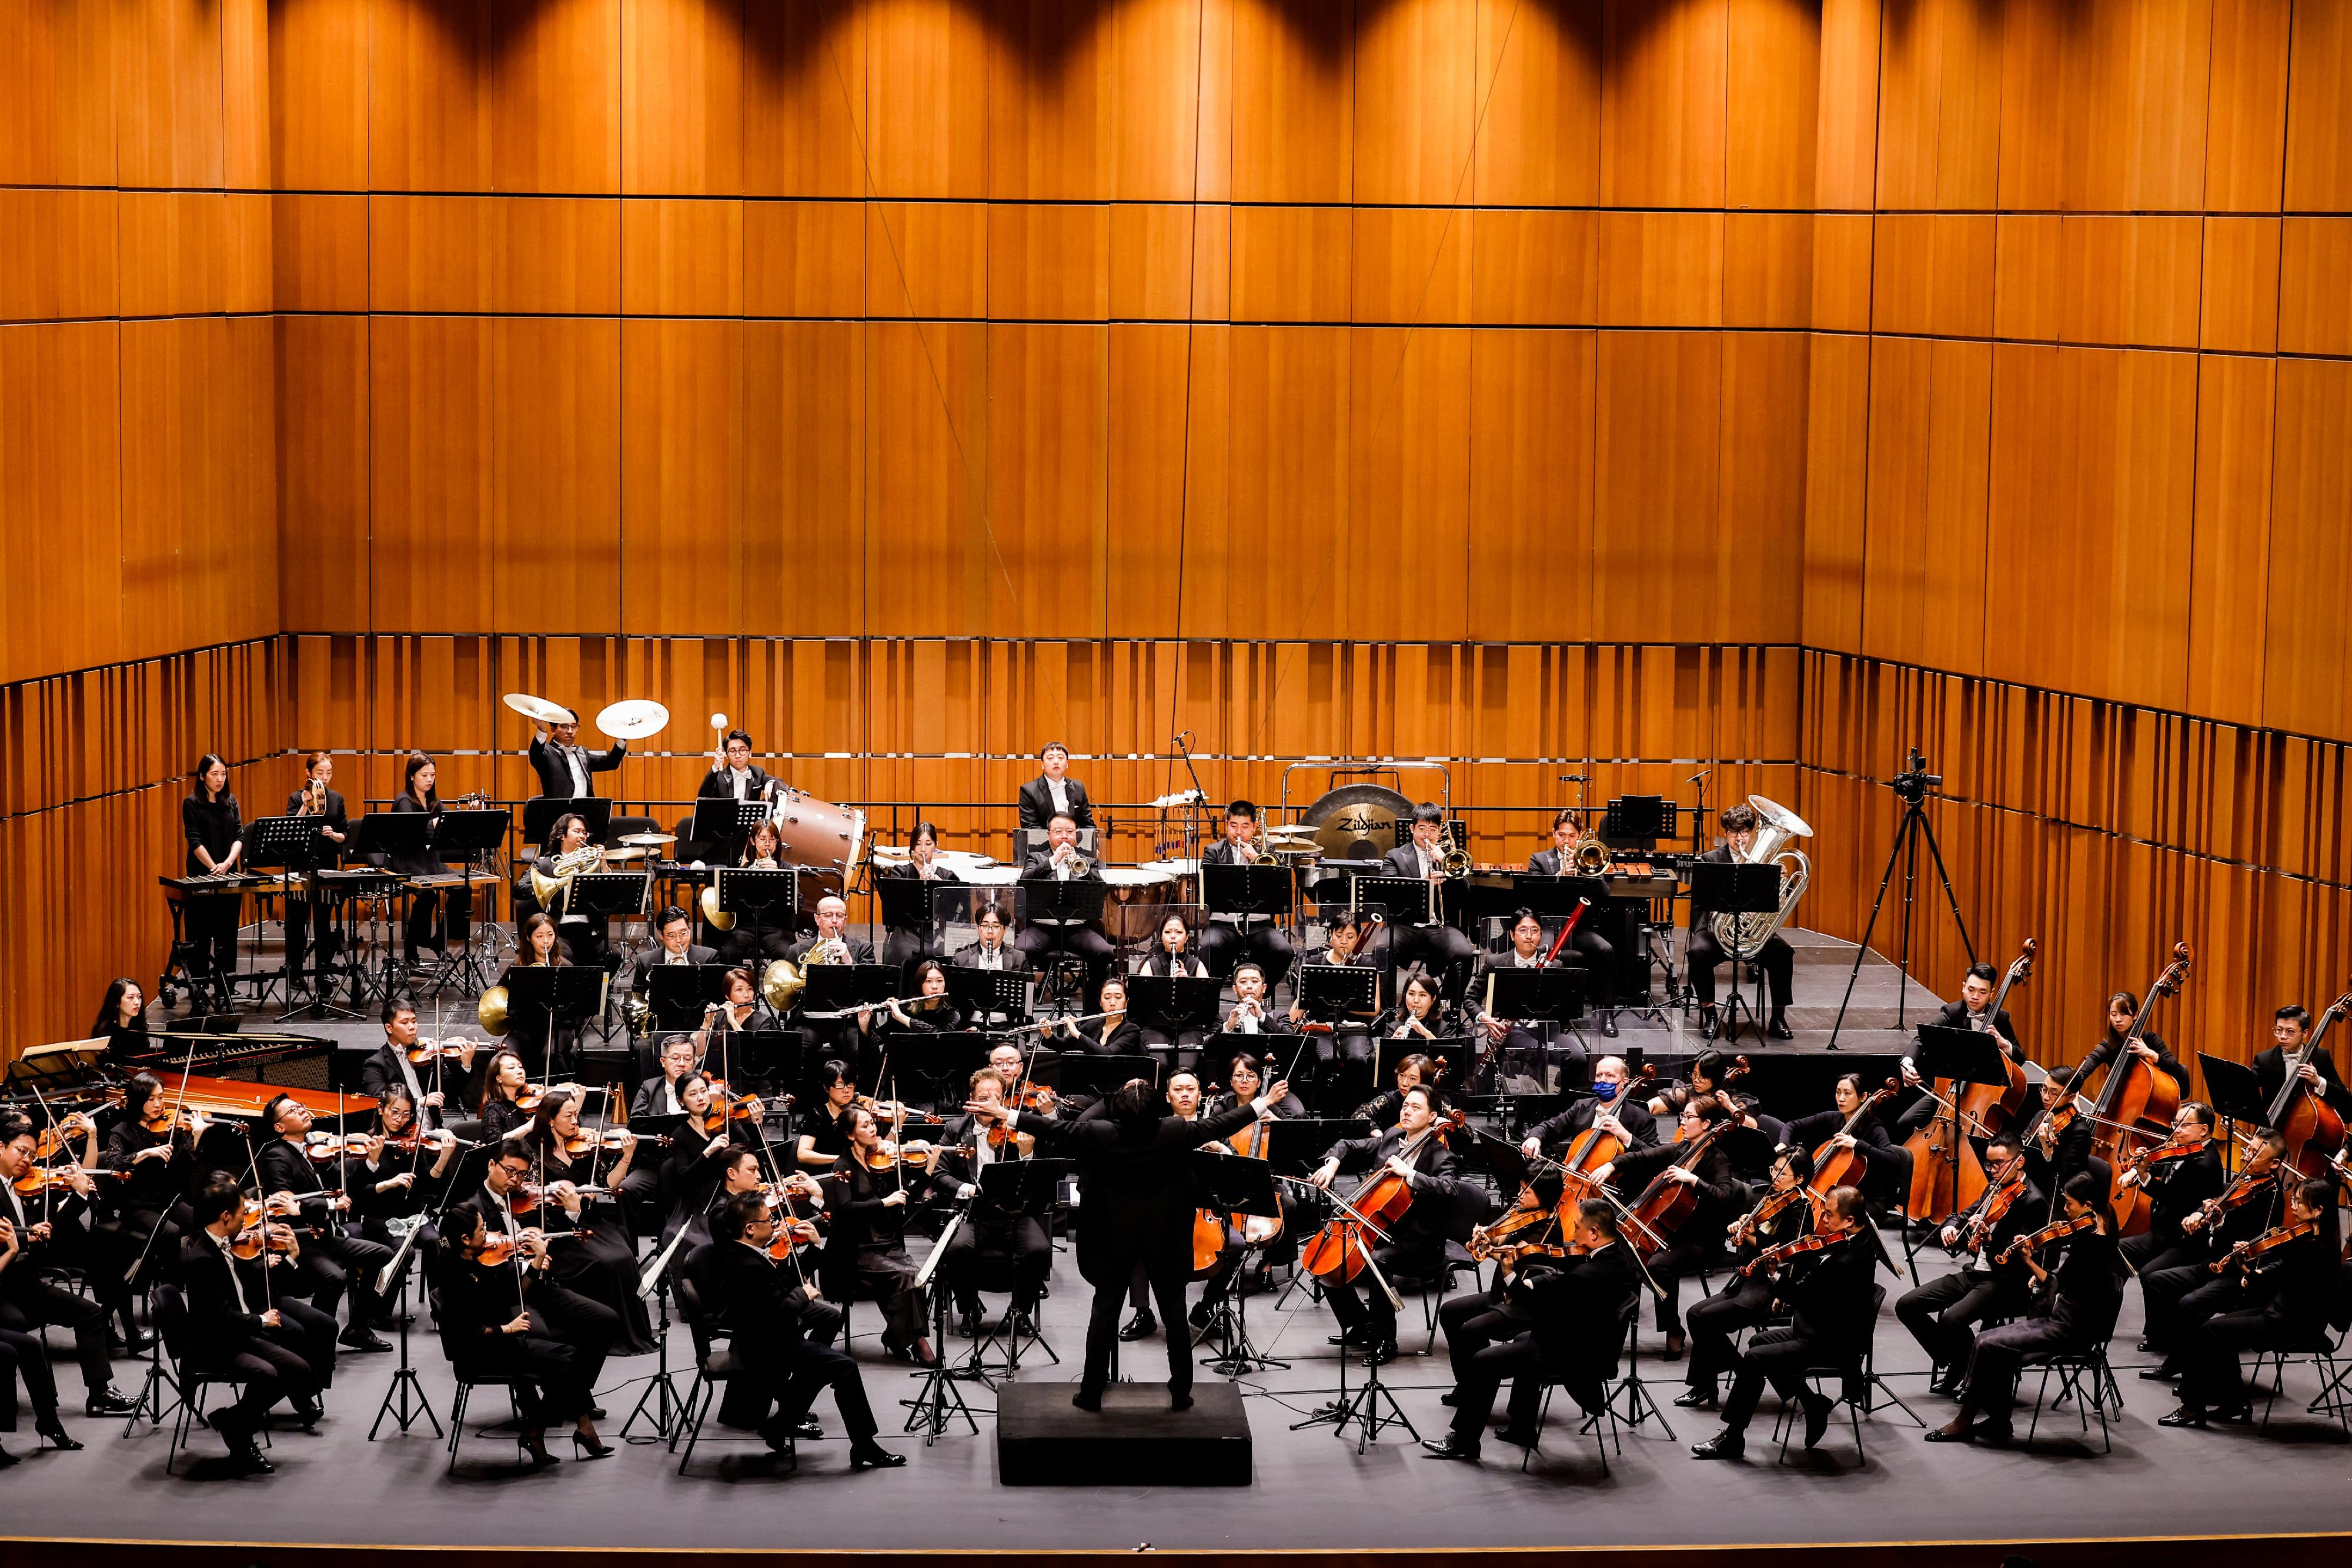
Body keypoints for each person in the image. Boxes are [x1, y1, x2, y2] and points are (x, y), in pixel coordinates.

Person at [971, 1073, 1285, 1410]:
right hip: (1165, 1238)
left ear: (1118, 1112)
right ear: (1158, 1109)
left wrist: (1004, 1113)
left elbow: (1052, 1129)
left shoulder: (1099, 1133)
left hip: (1112, 1239)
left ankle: (1091, 1392)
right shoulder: (1176, 1131)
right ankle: (1181, 1392)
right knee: (1175, 1315)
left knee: (1105, 1311)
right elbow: (1223, 1123)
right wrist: (1263, 1102)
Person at [1422, 1197, 1637, 1462]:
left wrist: (1512, 1277)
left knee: (1484, 1360)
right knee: (1524, 1338)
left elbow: (1541, 1308)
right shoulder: (1618, 1257)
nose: (1572, 1234)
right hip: (1591, 1339)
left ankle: (1465, 1439)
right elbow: (1566, 1269)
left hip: (1576, 1354)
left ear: (1594, 1233)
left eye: (1578, 1228)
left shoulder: (1589, 1277)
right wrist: (1538, 1279)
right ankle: (1522, 1428)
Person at [710, 1191, 904, 1468]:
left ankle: (779, 1427)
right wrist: (804, 1294)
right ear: (750, 1228)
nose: (776, 1224)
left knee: (821, 1367)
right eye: (770, 1220)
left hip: (766, 1340)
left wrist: (813, 1249)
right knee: (845, 1368)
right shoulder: (746, 1265)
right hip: (767, 1347)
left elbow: (779, 1284)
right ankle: (864, 1446)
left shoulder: (745, 1255)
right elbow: (781, 1308)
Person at [1927, 1172, 2123, 1446]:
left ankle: (1965, 1421)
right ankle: (1997, 1422)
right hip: (2073, 1317)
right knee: (1994, 1342)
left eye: (2069, 1204)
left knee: (1987, 1342)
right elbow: (2066, 1279)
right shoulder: (2102, 1226)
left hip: (2069, 1328)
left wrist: (2030, 1263)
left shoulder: (2091, 1244)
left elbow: (2056, 1284)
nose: (2065, 1211)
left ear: (2088, 1206)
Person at [1690, 1185, 1880, 1458]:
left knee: (1756, 1358)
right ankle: (1812, 1402)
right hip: (1820, 1327)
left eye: (1828, 1215)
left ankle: (1733, 1437)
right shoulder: (1852, 1241)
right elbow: (1816, 1289)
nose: (1823, 1220)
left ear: (1850, 1220)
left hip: (1829, 1341)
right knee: (1758, 1341)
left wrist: (1777, 1279)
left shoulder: (1850, 1260)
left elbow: (1809, 1300)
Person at [1307, 1084, 1468, 1363]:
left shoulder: (1441, 1154)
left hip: (1420, 1240)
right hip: (1380, 1228)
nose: (1407, 1111)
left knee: (1376, 1261)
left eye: (1416, 1108)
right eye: (1406, 1105)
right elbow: (1349, 1145)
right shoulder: (1393, 1137)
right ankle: (1361, 1325)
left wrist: (1411, 1173)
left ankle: (1386, 1340)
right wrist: (1333, 1161)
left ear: (1432, 1117)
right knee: (1328, 1257)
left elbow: (1450, 1189)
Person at [177, 1174, 328, 1473]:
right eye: (243, 1213)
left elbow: (254, 1284)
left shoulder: (226, 1245)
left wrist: (288, 1260)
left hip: (235, 1335)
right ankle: (241, 1438)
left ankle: (232, 1420)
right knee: (269, 1375)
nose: (248, 1219)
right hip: (213, 1343)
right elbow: (218, 1316)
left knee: (299, 1369)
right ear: (225, 1216)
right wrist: (260, 1320)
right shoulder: (202, 1259)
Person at [2161, 1178, 2341, 1428]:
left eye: (2300, 1202)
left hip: (2294, 1323)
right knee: (2217, 1326)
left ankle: (2192, 1405)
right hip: (2282, 1310)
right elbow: (2281, 1270)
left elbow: (2287, 1270)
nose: (2293, 1207)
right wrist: (2250, 1272)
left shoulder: (2316, 1248)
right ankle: (2234, 1401)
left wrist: (2254, 1264)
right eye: (2294, 1200)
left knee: (2211, 1330)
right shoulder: (2308, 1241)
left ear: (2319, 1210)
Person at [435, 1201, 596, 1467]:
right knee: (568, 1361)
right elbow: (468, 1332)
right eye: (482, 1230)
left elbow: (515, 1293)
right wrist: (508, 1328)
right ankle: (543, 1431)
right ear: (465, 1239)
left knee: (567, 1356)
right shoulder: (456, 1277)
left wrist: (536, 1261)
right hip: (481, 1353)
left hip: (499, 1345)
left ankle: (571, 1428)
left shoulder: (472, 1261)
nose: (488, 1235)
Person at [0, 1111, 134, 1420]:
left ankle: (100, 1394)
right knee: (19, 1327)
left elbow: (52, 1234)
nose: (29, 1161)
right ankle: (27, 1408)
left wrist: (78, 1196)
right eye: (22, 1151)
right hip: (3, 1286)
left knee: (90, 1312)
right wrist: (25, 1238)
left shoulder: (21, 1189)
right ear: (2, 1147)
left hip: (25, 1282)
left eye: (33, 1155)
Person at [470, 1142, 631, 1396]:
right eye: (510, 1171)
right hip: (509, 1294)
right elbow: (479, 1269)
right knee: (542, 1337)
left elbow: (561, 1241)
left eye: (522, 1174)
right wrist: (527, 1264)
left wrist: (572, 1213)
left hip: (542, 1286)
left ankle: (572, 1394)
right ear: (492, 1165)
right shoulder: (473, 1211)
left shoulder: (529, 1200)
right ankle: (562, 1403)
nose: (516, 1180)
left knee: (606, 1320)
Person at [1591, 1098, 1746, 1357]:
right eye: (1682, 1117)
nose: (1682, 1122)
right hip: (1672, 1234)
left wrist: (1694, 1179)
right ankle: (1611, 1328)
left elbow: (1725, 1196)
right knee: (1622, 1253)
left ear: (1706, 1124)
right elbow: (1641, 1156)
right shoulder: (1680, 1150)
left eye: (1688, 1117)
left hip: (1702, 1239)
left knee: (1659, 1264)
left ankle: (1673, 1329)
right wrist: (1611, 1165)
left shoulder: (1717, 1160)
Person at [1896, 1130, 2041, 1396]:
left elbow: (2021, 1254)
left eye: (1999, 1164)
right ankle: (1959, 1360)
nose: (1993, 1170)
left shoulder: (2033, 1202)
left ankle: (1967, 1369)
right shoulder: (1994, 1186)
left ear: (2019, 1162)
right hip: (1975, 1273)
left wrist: (1989, 1237)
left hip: (2005, 1279)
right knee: (1907, 1305)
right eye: (1989, 1164)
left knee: (1952, 1320)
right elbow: (1963, 1214)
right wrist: (1951, 1226)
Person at [512, 1090, 656, 1356]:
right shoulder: (535, 1155)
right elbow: (530, 1207)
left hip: (591, 1222)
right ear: (551, 1120)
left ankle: (632, 1333)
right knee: (605, 1263)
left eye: (576, 1114)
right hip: (560, 1231)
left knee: (625, 1256)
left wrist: (626, 1157)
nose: (576, 1121)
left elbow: (607, 1187)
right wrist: (571, 1211)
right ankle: (608, 1334)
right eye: (569, 1116)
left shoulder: (584, 1148)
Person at [255, 1094, 395, 1353]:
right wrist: (330, 1205)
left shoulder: (311, 1149)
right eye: (295, 1110)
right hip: (303, 1241)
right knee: (335, 1278)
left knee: (383, 1254)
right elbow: (285, 1202)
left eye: (301, 1106)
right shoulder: (276, 1157)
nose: (303, 1110)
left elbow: (342, 1186)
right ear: (280, 1127)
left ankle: (358, 1328)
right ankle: (314, 1338)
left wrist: (370, 1161)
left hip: (328, 1237)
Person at [1681, 1146, 1818, 1409]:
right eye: (1774, 1170)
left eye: (1783, 1173)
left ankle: (1728, 1375)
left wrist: (1750, 1236)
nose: (1775, 1176)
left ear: (1800, 1179)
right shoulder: (1768, 1198)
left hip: (1770, 1288)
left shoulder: (1800, 1210)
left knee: (1707, 1319)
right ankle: (1715, 1381)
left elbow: (1784, 1253)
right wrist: (1741, 1229)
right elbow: (1751, 1243)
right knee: (1694, 1314)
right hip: (1747, 1279)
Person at [931, 1068, 1053, 1338]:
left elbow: (1037, 1182)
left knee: (1039, 1250)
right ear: (972, 1098)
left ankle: (1020, 1311)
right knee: (956, 1250)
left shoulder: (1020, 1126)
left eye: (995, 1098)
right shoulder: (955, 1129)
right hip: (974, 1215)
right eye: (982, 1097)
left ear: (1004, 1100)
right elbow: (940, 1175)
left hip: (1013, 1214)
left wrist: (1026, 1154)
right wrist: (969, 1190)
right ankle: (970, 1309)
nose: (988, 1103)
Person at [824, 1105, 943, 1365]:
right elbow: (845, 1209)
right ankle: (918, 1342)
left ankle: (896, 1335)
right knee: (904, 1276)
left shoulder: (883, 1159)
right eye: (865, 1126)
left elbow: (905, 1199)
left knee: (917, 1277)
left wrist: (929, 1169)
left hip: (887, 1242)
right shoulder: (842, 1165)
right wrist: (884, 1203)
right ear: (850, 1135)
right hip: (858, 1249)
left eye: (873, 1123)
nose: (874, 1128)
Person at [100, 1072, 213, 1312]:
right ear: (137, 1100)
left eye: (161, 1098)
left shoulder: (167, 1129)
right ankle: (169, 1296)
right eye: (151, 1099)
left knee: (204, 1222)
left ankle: (197, 1281)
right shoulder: (121, 1132)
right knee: (170, 1232)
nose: (159, 1105)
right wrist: (144, 1154)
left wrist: (197, 1136)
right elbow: (112, 1166)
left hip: (166, 1201)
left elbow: (185, 1164)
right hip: (136, 1206)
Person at [1683, 803, 1796, 1041]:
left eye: (1745, 832)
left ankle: (1778, 1018)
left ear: (1752, 833)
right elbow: (1701, 900)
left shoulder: (1767, 861)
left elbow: (1778, 902)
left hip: (1751, 933)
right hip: (1716, 931)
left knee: (1783, 953)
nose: (1740, 838)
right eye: (1734, 833)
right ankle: (1711, 1014)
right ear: (1726, 833)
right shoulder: (1710, 859)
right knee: (1697, 952)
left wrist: (1783, 883)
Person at [1896, 960, 2027, 1139]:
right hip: (1950, 1092)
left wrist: (2004, 1044)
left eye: (1982, 992)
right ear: (1963, 987)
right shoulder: (1952, 1013)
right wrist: (1907, 1063)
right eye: (1971, 990)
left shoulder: (2001, 1018)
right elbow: (1922, 1038)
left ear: (1992, 994)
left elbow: (2020, 1058)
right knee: (1906, 1122)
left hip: (1981, 1099)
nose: (1975, 996)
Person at [1525, 808, 1620, 1037]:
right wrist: (1561, 875)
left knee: (1606, 950)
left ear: (1580, 836)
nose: (1566, 841)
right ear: (1554, 833)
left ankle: (1606, 1013)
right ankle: (1551, 1013)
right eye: (1561, 835)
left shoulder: (1589, 858)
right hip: (1548, 926)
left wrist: (1588, 874)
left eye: (1572, 836)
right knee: (1544, 951)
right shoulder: (1539, 860)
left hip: (1579, 928)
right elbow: (1534, 898)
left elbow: (1605, 894)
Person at [1467, 908, 1584, 1089]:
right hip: (1512, 1031)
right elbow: (1470, 999)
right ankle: (1530, 1109)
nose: (1529, 936)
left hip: (1547, 1030)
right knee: (1537, 1054)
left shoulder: (1555, 965)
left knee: (1578, 1058)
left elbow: (1564, 1010)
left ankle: (1558, 1106)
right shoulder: (1495, 963)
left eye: (1535, 930)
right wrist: (1485, 1019)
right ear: (1512, 935)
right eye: (1523, 930)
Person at [1378, 803, 1476, 995]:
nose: (1427, 834)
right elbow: (1389, 896)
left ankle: (1446, 1007)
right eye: (1422, 828)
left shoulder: (1448, 857)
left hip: (1440, 927)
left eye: (1433, 829)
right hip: (1404, 925)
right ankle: (1387, 1011)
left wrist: (1446, 861)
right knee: (1382, 949)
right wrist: (1423, 884)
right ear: (1412, 829)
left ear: (1439, 831)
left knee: (1465, 954)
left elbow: (1465, 894)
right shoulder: (1395, 856)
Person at [1195, 800, 1295, 987]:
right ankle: (1211, 1000)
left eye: (1245, 826)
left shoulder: (1267, 850)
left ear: (1255, 827)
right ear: (1227, 825)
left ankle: (1259, 994)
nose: (1238, 832)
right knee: (1208, 947)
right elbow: (1206, 890)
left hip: (1259, 925)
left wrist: (1256, 859)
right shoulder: (1213, 852)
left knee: (1284, 951)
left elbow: (1276, 888)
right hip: (1223, 924)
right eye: (1233, 826)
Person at [1782, 1072, 1912, 1212]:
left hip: (1867, 1200)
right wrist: (1783, 1143)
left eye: (1847, 1093)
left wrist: (1857, 1144)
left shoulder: (1874, 1128)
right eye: (1838, 1093)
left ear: (1863, 1097)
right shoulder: (1832, 1118)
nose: (1841, 1099)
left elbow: (1892, 1159)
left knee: (1834, 1216)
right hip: (1836, 1197)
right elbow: (1792, 1125)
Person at [1016, 813, 1115, 991]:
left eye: (1070, 831)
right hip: (1041, 928)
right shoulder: (1036, 858)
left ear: (1076, 835)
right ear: (1049, 835)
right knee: (1021, 951)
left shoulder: (1088, 861)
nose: (1064, 836)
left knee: (1105, 952)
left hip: (1076, 929)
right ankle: (1025, 1014)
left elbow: (1100, 888)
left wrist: (1080, 865)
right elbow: (1025, 881)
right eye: (1058, 831)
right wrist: (1053, 861)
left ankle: (1092, 1014)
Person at [386, 751, 466, 967]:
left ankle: (438, 941)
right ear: (412, 776)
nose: (430, 780)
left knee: (463, 888)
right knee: (428, 894)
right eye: (424, 775)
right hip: (407, 862)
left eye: (432, 775)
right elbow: (410, 837)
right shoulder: (404, 801)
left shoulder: (433, 800)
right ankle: (412, 946)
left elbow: (450, 821)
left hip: (429, 861)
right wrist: (432, 826)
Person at [179, 752, 245, 1007]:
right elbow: (194, 841)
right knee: (201, 932)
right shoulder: (192, 802)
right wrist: (213, 867)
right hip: (202, 875)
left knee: (228, 931)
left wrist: (228, 863)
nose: (220, 779)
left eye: (223, 774)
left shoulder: (231, 801)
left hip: (229, 871)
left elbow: (239, 836)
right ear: (203, 776)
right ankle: (199, 987)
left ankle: (226, 985)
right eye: (215, 774)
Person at [283, 751, 349, 997]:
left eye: (329, 773)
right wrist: (304, 805)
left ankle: (323, 968)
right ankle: (295, 970)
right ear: (309, 774)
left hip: (327, 864)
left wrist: (332, 834)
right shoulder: (295, 798)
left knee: (323, 922)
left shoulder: (336, 799)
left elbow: (345, 835)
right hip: (301, 866)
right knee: (297, 922)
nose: (325, 777)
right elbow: (290, 831)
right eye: (320, 773)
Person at [358, 997, 478, 1126]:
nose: (412, 1027)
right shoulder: (376, 1064)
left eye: (414, 1021)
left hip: (434, 1131)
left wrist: (465, 1065)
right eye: (405, 1023)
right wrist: (420, 1102)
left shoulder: (426, 1056)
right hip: (401, 1134)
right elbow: (379, 1101)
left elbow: (451, 1092)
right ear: (389, 1028)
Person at [1522, 1054, 1659, 1158]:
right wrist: (1535, 1138)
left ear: (1624, 1083)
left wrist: (1626, 1136)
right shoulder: (1582, 1107)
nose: (1603, 1080)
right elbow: (1549, 1128)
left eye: (1610, 1075)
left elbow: (1655, 1158)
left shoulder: (1642, 1119)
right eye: (1599, 1075)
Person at [2253, 1004, 2352, 1131]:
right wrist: (2231, 1116)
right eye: (2279, 1030)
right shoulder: (2264, 1060)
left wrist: (2318, 1081)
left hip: (2308, 1132)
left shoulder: (2320, 1057)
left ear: (2305, 1033)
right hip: (2272, 1133)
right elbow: (2246, 1094)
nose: (2282, 1036)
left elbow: (2346, 1101)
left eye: (2290, 1032)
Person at [716, 818, 800, 965]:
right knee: (729, 951)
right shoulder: (743, 870)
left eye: (772, 839)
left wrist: (778, 875)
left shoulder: (786, 870)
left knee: (786, 952)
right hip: (746, 927)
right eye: (762, 839)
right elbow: (730, 905)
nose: (767, 844)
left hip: (777, 928)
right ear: (753, 841)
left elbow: (799, 902)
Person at [2075, 989, 2190, 1097]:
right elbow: (2081, 1074)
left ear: (2135, 1015)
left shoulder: (2150, 1040)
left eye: (2123, 1014)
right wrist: (2074, 1091)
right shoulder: (2108, 1046)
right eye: (2114, 1014)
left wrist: (2151, 1054)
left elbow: (2180, 1073)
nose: (2118, 1019)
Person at [877, 821, 960, 967]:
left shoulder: (947, 876)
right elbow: (897, 907)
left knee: (948, 955)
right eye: (918, 844)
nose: (923, 849)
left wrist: (940, 887)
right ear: (912, 847)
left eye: (928, 844)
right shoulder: (901, 873)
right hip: (906, 931)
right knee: (905, 954)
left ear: (935, 845)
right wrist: (921, 883)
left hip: (936, 933)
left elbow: (954, 913)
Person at [537, 811, 612, 970]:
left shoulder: (594, 864)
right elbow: (519, 889)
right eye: (577, 831)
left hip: (589, 930)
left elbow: (608, 895)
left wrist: (604, 866)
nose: (582, 836)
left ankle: (596, 992)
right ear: (562, 835)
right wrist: (557, 883)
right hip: (559, 930)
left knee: (613, 956)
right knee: (565, 960)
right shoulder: (546, 865)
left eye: (584, 833)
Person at [503, 912, 576, 1074]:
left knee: (550, 1054)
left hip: (558, 1029)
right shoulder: (518, 967)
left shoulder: (565, 967)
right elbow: (500, 994)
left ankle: (562, 1094)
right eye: (539, 936)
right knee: (506, 1054)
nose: (546, 941)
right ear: (529, 938)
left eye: (550, 935)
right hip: (525, 1029)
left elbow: (576, 1008)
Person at [528, 707, 626, 799]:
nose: (570, 731)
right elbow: (535, 755)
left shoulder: (582, 753)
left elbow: (611, 763)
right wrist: (542, 731)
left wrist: (624, 736)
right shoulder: (546, 752)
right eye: (564, 727)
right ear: (553, 730)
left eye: (573, 727)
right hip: (559, 814)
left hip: (584, 813)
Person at [1017, 741, 1094, 832]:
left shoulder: (1079, 788)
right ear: (1042, 764)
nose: (1056, 762)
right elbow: (1030, 827)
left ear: (1067, 764)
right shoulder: (1029, 790)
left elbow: (1088, 825)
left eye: (1061, 758)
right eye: (1050, 758)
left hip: (1074, 844)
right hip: (1043, 845)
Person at [1063, 976, 1144, 1057]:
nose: (1113, 1003)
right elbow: (1062, 1045)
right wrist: (1050, 1034)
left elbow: (1107, 1055)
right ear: (1100, 1003)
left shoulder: (1132, 1031)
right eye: (1107, 998)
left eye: (1118, 998)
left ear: (1126, 1002)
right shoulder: (1094, 1023)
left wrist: (1076, 1033)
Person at [1220, 961, 1295, 1042]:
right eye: (1243, 982)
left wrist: (1262, 1017)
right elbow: (1207, 1049)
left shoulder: (1280, 1016)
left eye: (1255, 981)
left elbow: (1291, 1042)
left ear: (1264, 988)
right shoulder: (1223, 1018)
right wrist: (1228, 1027)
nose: (1249, 986)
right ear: (1235, 989)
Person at [91, 978, 155, 1066]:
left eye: (139, 997)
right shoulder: (104, 1032)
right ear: (117, 1002)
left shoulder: (139, 1027)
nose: (137, 1002)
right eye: (131, 998)